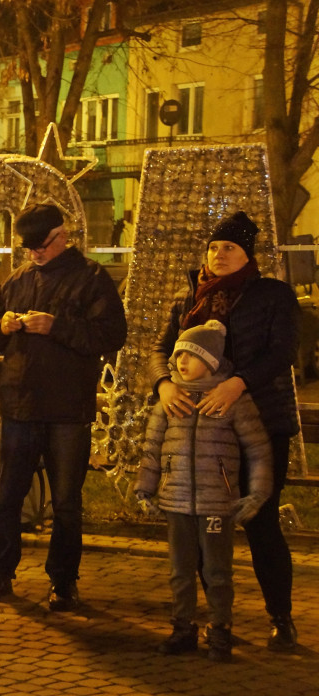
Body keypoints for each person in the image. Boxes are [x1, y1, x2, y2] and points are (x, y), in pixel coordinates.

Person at [151, 211, 301, 651]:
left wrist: (239, 382)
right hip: (203, 429)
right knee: (201, 525)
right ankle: (206, 624)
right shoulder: (189, 299)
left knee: (260, 521)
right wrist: (163, 383)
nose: (219, 254)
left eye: (229, 248)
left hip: (260, 423)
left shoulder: (273, 296)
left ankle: (281, 618)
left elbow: (283, 351)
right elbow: (161, 349)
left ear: (247, 255)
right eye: (214, 247)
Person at [0, 203, 127, 611]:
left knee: (66, 502)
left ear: (63, 236)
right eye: (29, 249)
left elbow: (112, 334)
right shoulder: (21, 278)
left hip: (67, 409)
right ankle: (0, 573)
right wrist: (0, 327)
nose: (35, 254)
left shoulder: (91, 278)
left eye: (41, 246)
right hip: (20, 405)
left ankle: (63, 582)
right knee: (7, 497)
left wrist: (56, 326)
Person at [135, 320, 273, 662]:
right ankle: (182, 627)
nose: (181, 362)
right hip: (176, 501)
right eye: (178, 354)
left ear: (212, 361)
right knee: (180, 570)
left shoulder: (232, 400)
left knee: (217, 571)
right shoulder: (169, 400)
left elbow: (257, 449)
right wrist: (145, 489)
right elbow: (152, 448)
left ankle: (220, 629)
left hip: (216, 502)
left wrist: (256, 494)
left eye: (191, 355)